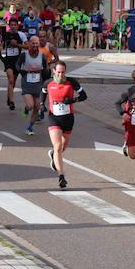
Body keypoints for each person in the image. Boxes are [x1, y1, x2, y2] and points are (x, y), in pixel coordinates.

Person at [43, 61, 87, 189]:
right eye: (58, 72)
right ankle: (61, 176)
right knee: (57, 146)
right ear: (54, 71)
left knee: (62, 147)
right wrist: (41, 105)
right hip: (54, 118)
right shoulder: (48, 82)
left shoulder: (71, 82)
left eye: (63, 72)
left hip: (68, 118)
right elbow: (43, 93)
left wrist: (73, 100)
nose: (61, 74)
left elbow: (84, 96)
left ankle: (53, 155)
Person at [16, 36, 47, 136]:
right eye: (33, 43)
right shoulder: (24, 55)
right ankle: (26, 108)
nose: (35, 45)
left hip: (38, 82)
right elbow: (17, 65)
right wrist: (22, 71)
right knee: (30, 106)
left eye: (36, 43)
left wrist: (46, 75)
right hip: (27, 82)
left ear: (39, 44)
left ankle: (30, 127)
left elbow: (46, 68)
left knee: (37, 107)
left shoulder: (42, 56)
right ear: (29, 43)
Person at [1, 18, 27, 111]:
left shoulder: (21, 35)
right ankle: (12, 102)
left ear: (17, 25)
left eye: (14, 25)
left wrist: (18, 45)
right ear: (9, 25)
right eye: (11, 25)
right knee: (11, 80)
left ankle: (9, 97)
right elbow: (3, 44)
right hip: (8, 60)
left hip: (17, 61)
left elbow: (27, 46)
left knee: (14, 81)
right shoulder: (6, 34)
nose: (13, 26)